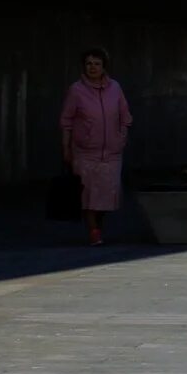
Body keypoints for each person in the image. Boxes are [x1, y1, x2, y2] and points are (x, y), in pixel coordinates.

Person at [60, 47, 132, 247]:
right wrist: (66, 147)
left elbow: (125, 116)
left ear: (104, 67)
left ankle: (97, 226)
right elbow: (66, 120)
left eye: (97, 64)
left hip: (111, 153)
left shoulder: (115, 88)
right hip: (85, 152)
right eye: (89, 64)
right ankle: (94, 231)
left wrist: (121, 137)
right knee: (89, 194)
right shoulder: (76, 90)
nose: (93, 67)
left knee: (106, 195)